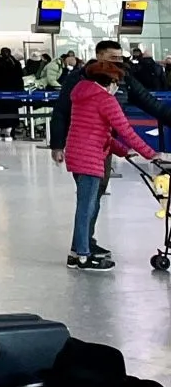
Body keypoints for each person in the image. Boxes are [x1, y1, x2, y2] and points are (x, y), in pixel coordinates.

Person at [59, 60, 156, 272]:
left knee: (86, 205)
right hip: (90, 157)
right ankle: (82, 257)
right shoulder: (105, 100)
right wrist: (151, 154)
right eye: (116, 82)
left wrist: (122, 150)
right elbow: (126, 131)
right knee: (86, 207)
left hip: (77, 153)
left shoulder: (81, 95)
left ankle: (78, 251)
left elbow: (98, 131)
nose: (117, 87)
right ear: (110, 81)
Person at [0, 46, 25, 140]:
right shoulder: (15, 63)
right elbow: (20, 78)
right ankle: (9, 133)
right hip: (12, 95)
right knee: (11, 114)